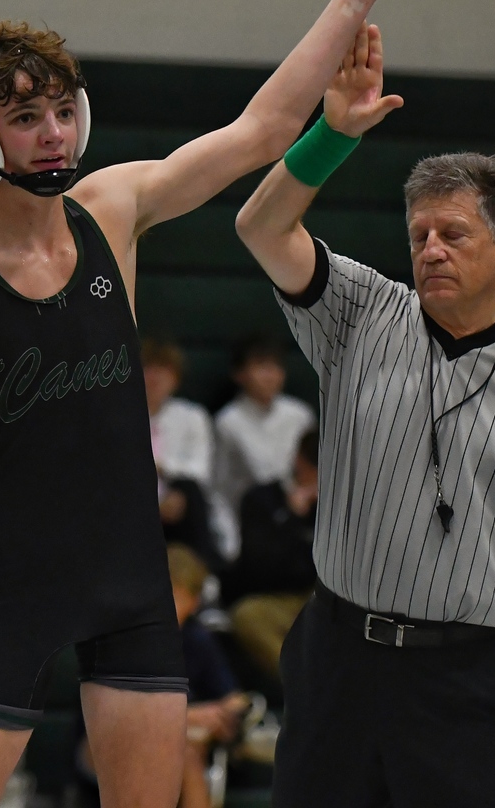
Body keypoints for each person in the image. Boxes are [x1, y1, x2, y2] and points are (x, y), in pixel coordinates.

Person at [0, 0, 408, 808]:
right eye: (27, 118)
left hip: (133, 586)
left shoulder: (114, 212)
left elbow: (257, 134)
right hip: (15, 592)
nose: (52, 132)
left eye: (62, 110)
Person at [233, 21, 495, 806]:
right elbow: (260, 225)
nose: (432, 250)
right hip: (338, 654)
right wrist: (333, 133)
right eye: (420, 235)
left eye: (454, 233)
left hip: (468, 672)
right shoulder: (357, 313)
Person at [226, 427, 318, 682]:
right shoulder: (261, 499)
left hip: (321, 598)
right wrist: (291, 519)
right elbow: (260, 567)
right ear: (298, 460)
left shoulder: (339, 503)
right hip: (275, 600)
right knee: (247, 615)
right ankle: (304, 688)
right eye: (314, 467)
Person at [168, 543, 250, 808]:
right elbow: (125, 713)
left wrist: (222, 713)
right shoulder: (128, 641)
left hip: (178, 746)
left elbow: (236, 698)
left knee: (186, 748)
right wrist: (190, 716)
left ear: (193, 602)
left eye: (178, 599)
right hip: (105, 744)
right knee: (181, 747)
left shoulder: (197, 640)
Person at [212, 332, 315, 523]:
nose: (270, 375)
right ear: (239, 374)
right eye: (261, 366)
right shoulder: (228, 422)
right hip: (251, 519)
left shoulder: (300, 414)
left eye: (276, 366)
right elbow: (220, 488)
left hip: (301, 515)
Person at [145, 338, 226, 569]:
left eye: (164, 370)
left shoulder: (192, 416)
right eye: (149, 368)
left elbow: (200, 470)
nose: (155, 378)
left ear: (176, 378)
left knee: (190, 490)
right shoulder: (119, 415)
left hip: (177, 501)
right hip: (135, 503)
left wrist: (163, 467)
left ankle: (202, 580)